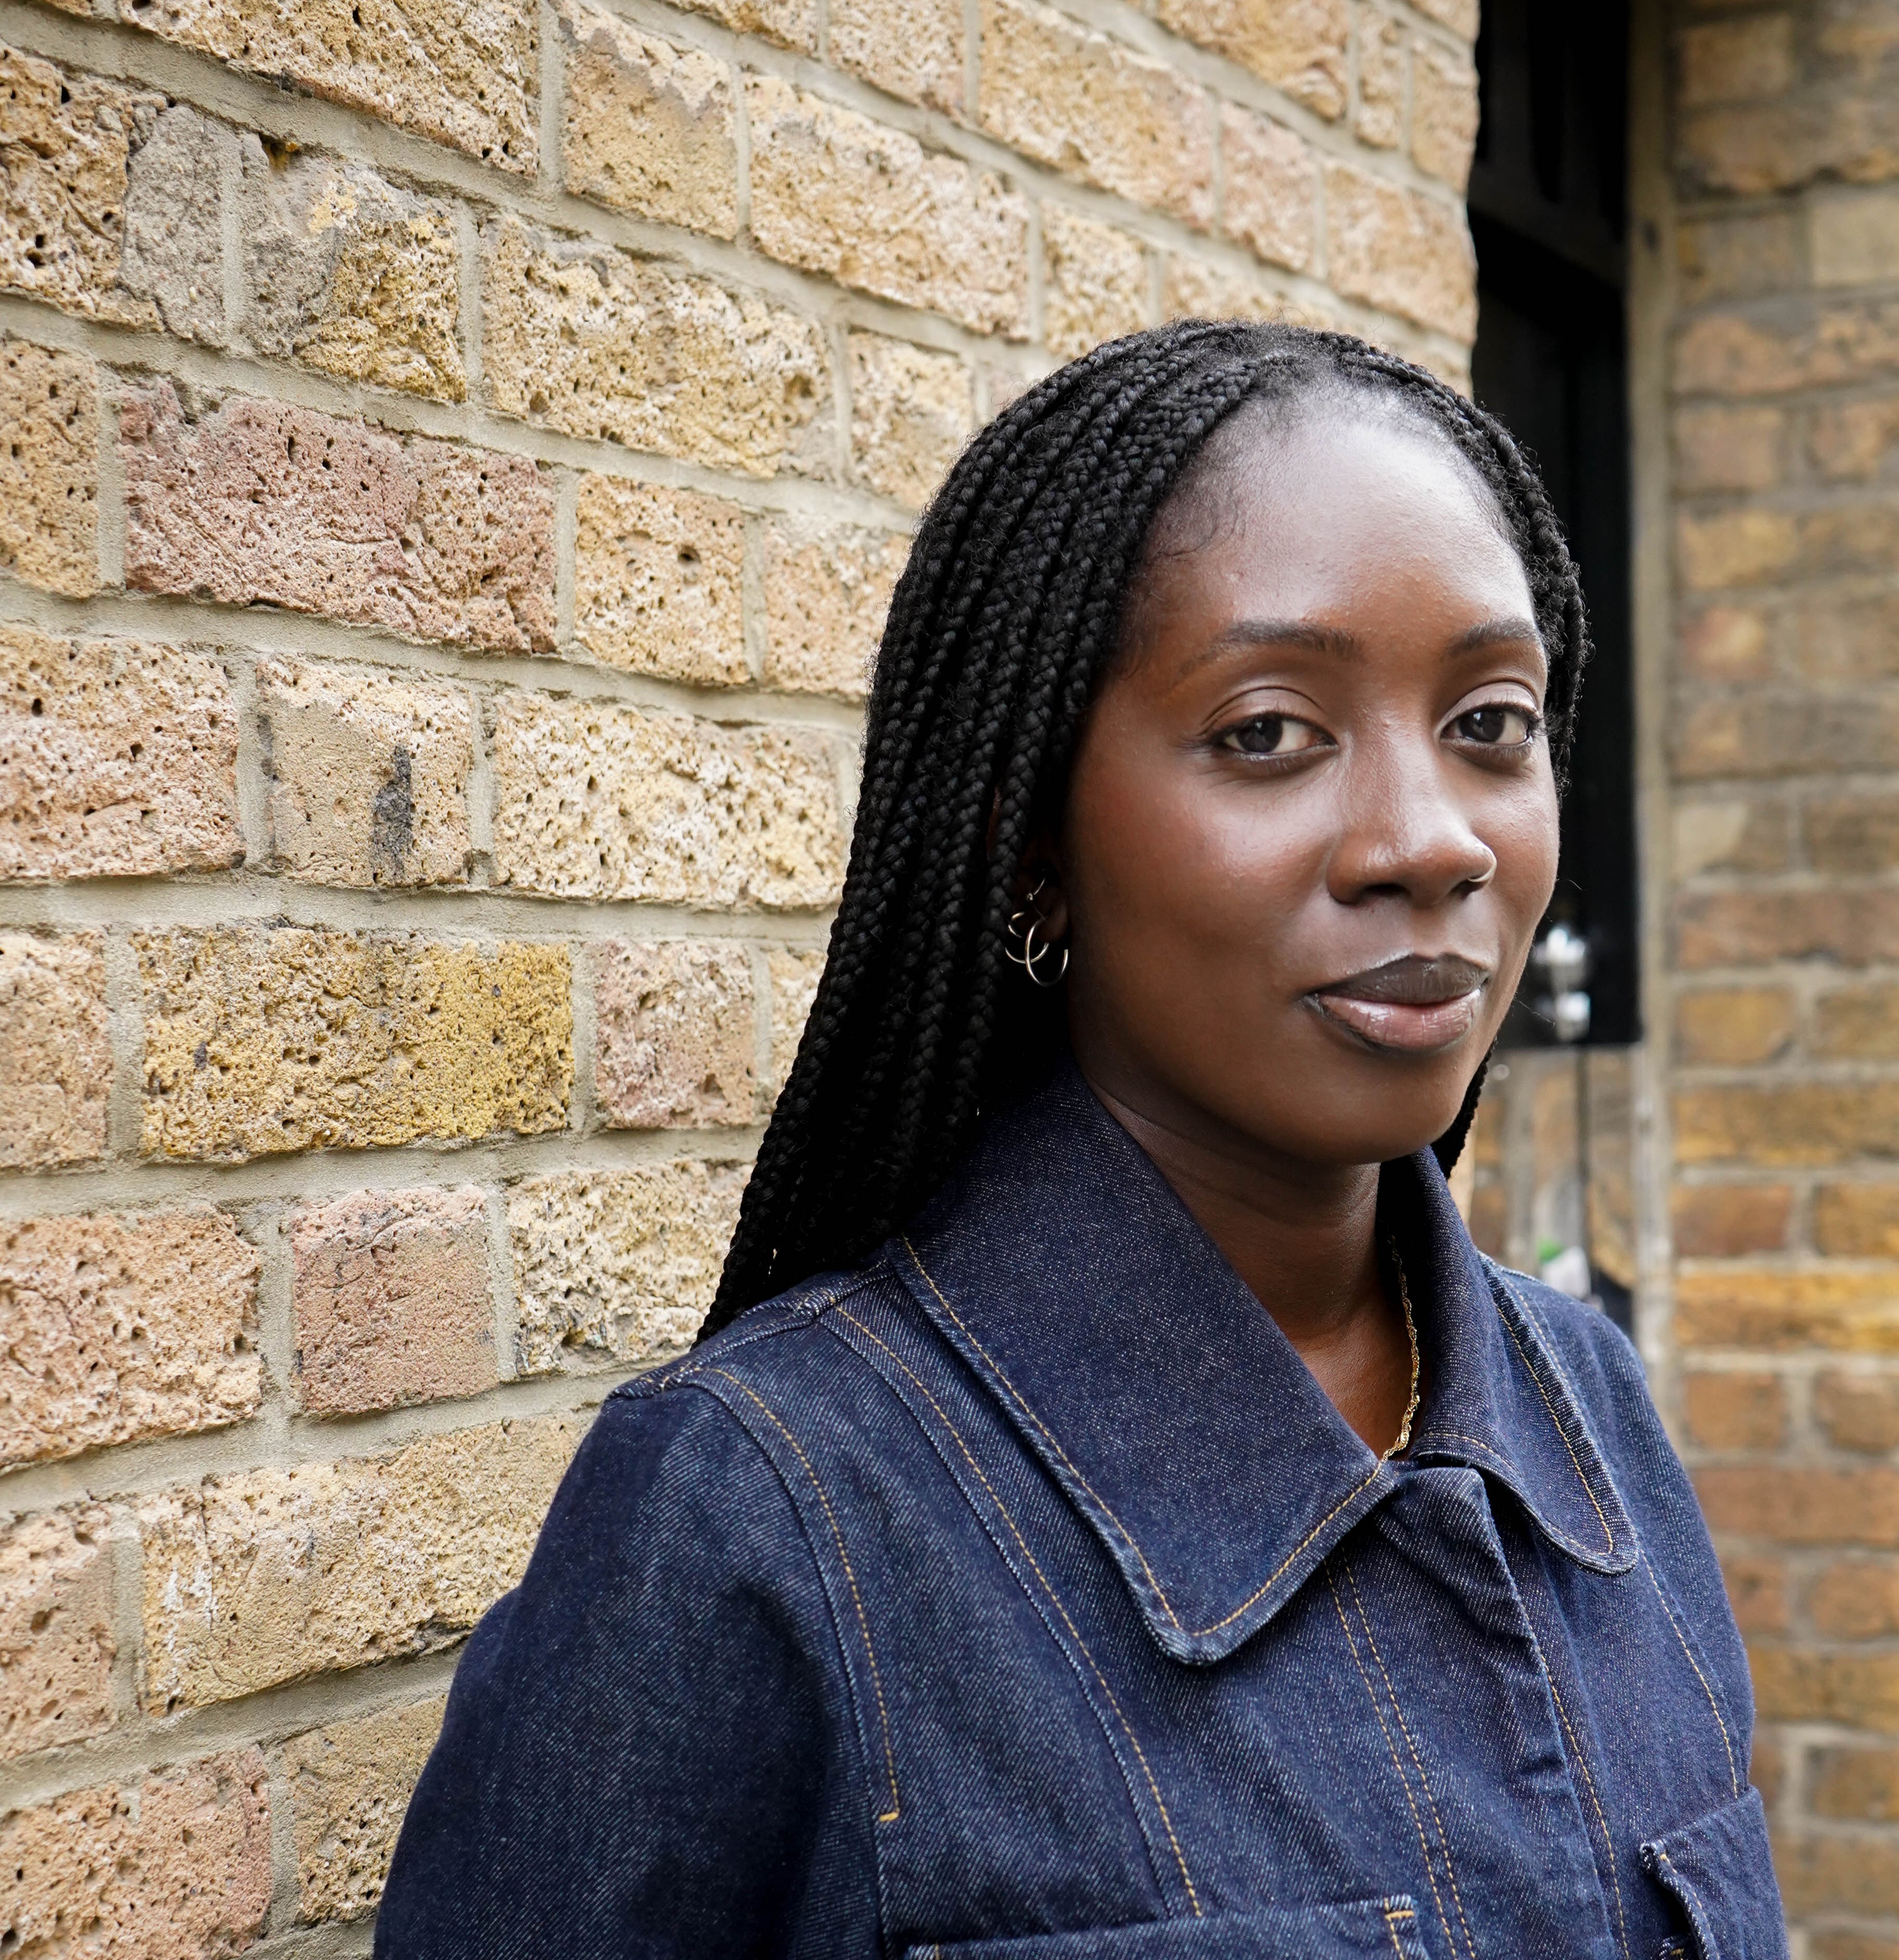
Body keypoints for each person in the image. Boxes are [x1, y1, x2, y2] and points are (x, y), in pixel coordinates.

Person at [377, 321, 1785, 1960]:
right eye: (1268, 731)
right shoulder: (763, 1515)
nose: (1430, 840)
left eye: (1490, 720)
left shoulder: (1591, 1409)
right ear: (1030, 848)